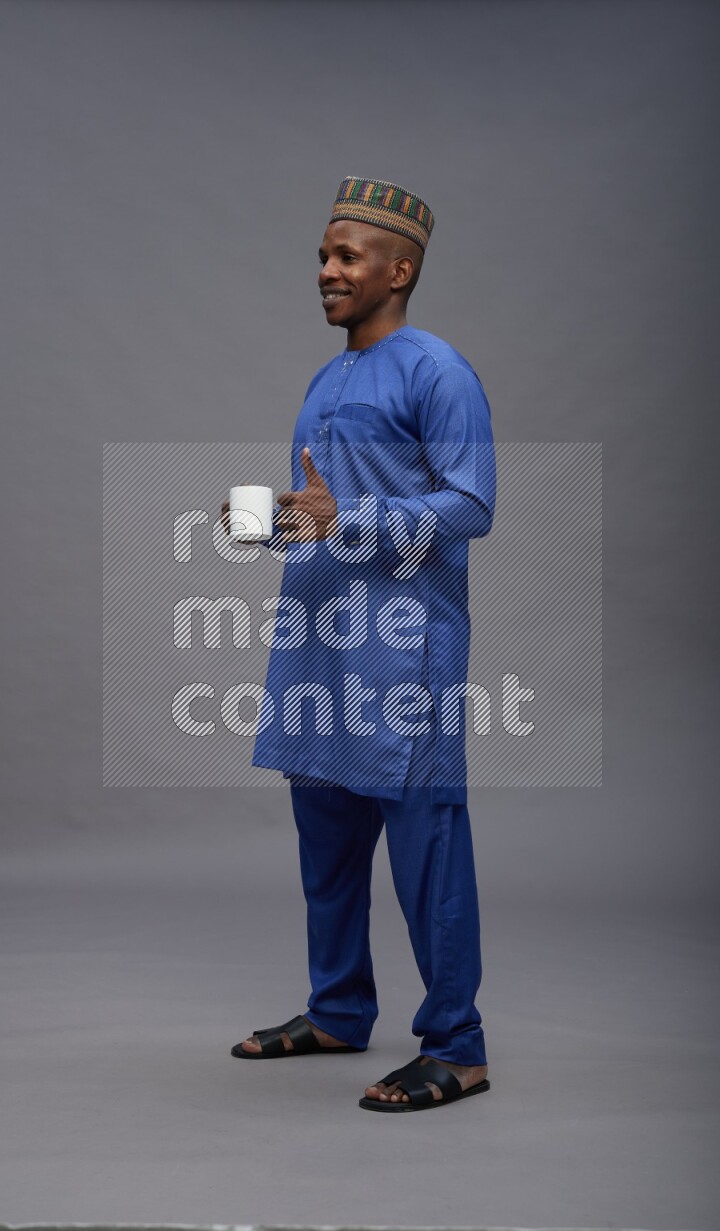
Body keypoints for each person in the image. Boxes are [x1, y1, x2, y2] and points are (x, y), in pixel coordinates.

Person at [228, 176, 496, 1111]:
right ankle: (339, 1007)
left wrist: (353, 515)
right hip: (318, 644)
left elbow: (471, 506)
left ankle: (457, 1045)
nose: (326, 272)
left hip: (401, 652)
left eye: (345, 257)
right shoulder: (329, 377)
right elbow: (325, 507)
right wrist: (265, 518)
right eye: (322, 256)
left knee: (425, 849)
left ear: (400, 268)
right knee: (327, 844)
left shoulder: (437, 369)